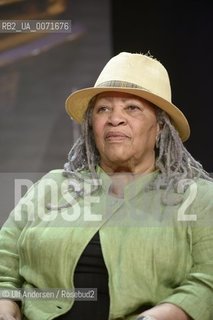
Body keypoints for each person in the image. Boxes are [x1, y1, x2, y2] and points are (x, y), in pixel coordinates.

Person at [0, 52, 213, 320]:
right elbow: (4, 265)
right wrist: (5, 307)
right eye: (103, 109)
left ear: (160, 126)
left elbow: (208, 282)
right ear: (92, 125)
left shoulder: (197, 197)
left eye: (132, 108)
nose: (115, 119)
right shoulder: (52, 187)